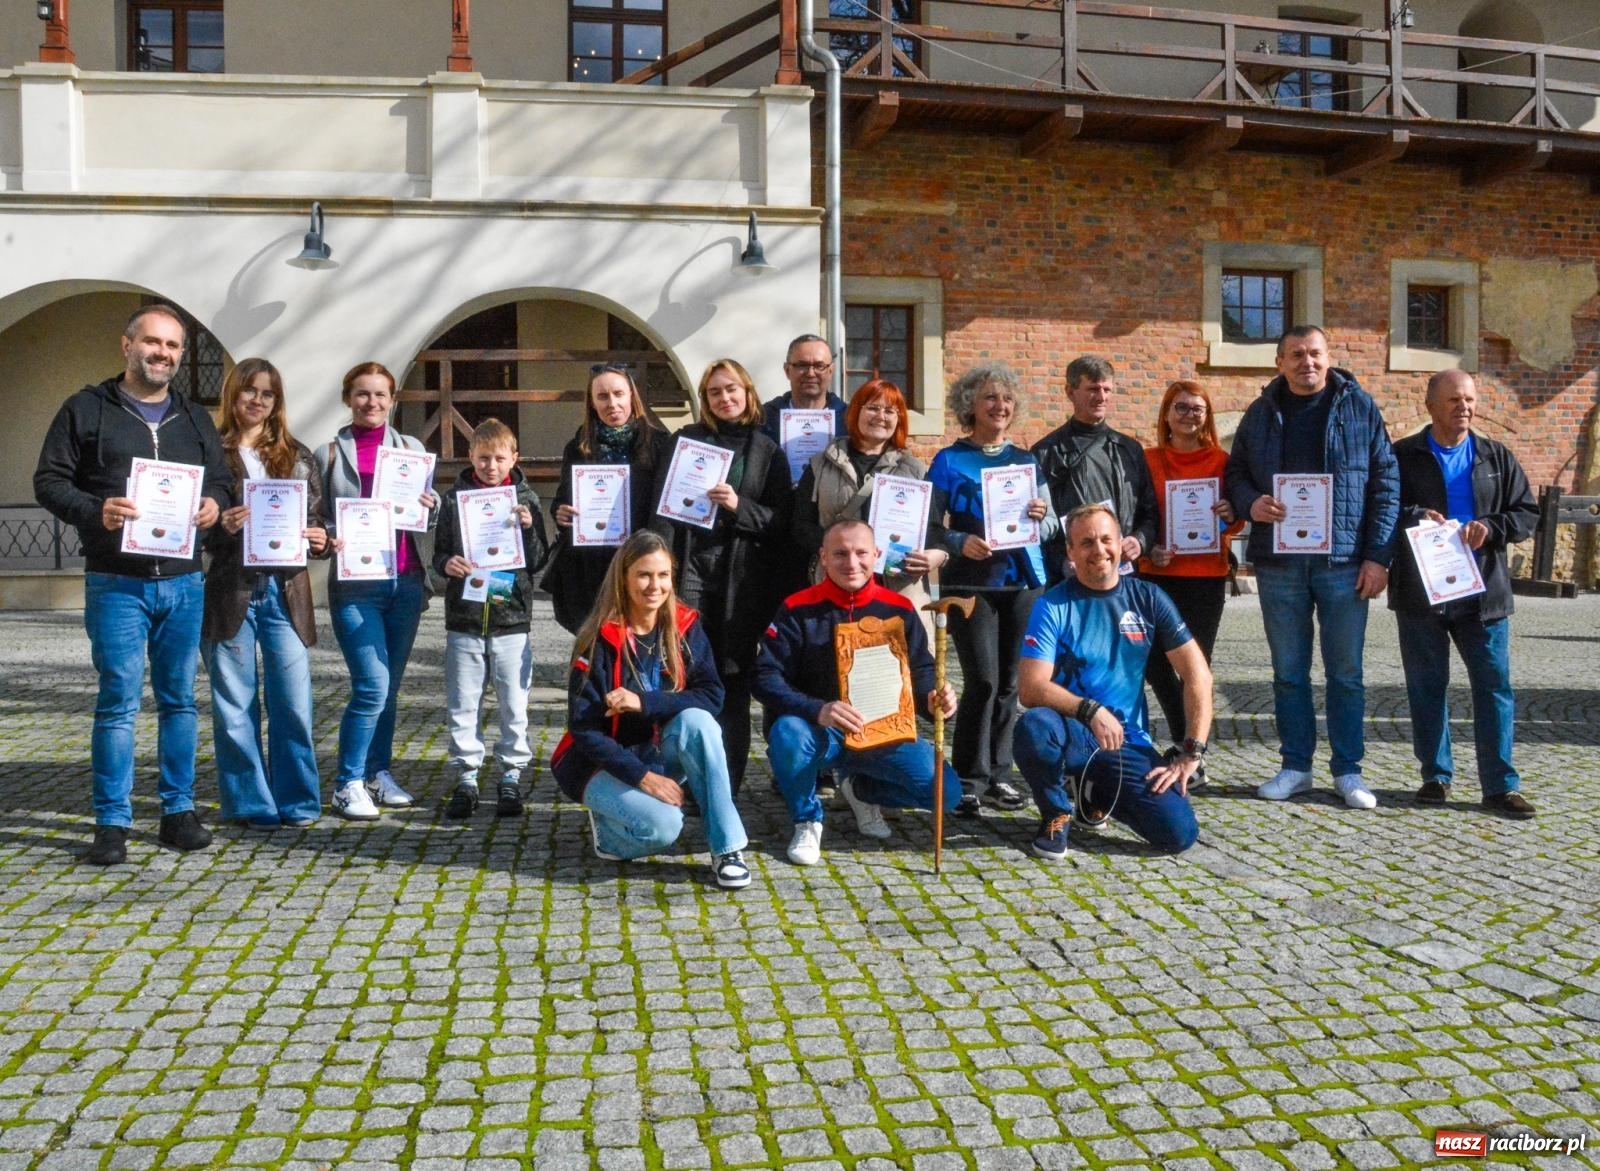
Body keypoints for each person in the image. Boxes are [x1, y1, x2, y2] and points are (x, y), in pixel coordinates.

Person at [33, 303, 230, 865]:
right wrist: (97, 511)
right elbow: (49, 480)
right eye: (153, 342)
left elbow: (219, 479)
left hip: (184, 581)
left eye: (172, 347)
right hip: (116, 582)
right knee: (118, 702)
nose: (162, 353)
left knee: (179, 702)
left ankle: (177, 813)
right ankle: (112, 823)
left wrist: (215, 504)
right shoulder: (85, 409)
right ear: (127, 346)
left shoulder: (194, 418)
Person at [1224, 325, 1399, 810]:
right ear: (1279, 362)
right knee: (1288, 673)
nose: (1307, 362)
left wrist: (1377, 557)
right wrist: (1250, 502)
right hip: (1280, 564)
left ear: (1329, 357)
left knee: (1346, 673)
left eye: (1315, 353)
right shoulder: (1261, 413)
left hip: (1343, 563)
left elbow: (1385, 483)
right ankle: (1296, 767)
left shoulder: (1359, 407)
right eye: (1296, 354)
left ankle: (1348, 771)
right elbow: (1235, 472)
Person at [550, 531, 752, 888]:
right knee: (663, 827)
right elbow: (584, 730)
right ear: (624, 578)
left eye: (662, 575)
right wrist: (644, 779)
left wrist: (643, 702)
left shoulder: (685, 627)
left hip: (656, 750)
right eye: (643, 575)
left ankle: (727, 848)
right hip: (596, 762)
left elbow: (711, 695)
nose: (654, 586)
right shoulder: (598, 639)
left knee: (700, 722)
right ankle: (610, 835)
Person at [752, 519, 960, 866]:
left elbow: (921, 669)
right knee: (787, 733)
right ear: (823, 557)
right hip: (820, 730)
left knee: (947, 795)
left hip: (883, 730)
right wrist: (816, 708)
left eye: (861, 553)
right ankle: (807, 819)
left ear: (877, 555)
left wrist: (933, 699)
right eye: (840, 554)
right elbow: (764, 676)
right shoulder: (796, 608)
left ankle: (861, 790)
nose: (852, 563)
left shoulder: (900, 608)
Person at [1014, 505, 1209, 860]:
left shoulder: (1148, 598)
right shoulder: (1052, 605)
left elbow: (1198, 674)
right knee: (1034, 727)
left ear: (1121, 543)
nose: (1099, 550)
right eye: (1086, 542)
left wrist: (1191, 753)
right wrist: (1089, 710)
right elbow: (1030, 688)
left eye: (1106, 539)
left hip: (1126, 740)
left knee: (1178, 835)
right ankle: (1056, 812)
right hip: (1071, 730)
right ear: (1070, 552)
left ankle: (1094, 791)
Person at [1389, 369, 1539, 818]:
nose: (1464, 408)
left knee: (1493, 688)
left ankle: (1500, 785)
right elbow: (1380, 509)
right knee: (1426, 687)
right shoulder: (1402, 456)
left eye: (1470, 400)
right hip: (1422, 592)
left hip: (1484, 594)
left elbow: (1527, 513)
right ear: (1430, 404)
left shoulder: (1496, 456)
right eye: (1454, 400)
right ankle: (1435, 775)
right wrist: (1416, 515)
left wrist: (1491, 527)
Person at [650, 359, 793, 795]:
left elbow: (781, 522)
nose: (725, 398)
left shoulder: (767, 450)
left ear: (748, 394)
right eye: (715, 392)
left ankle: (724, 786)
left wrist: (737, 506)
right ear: (705, 400)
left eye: (732, 390)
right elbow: (661, 512)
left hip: (741, 584)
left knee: (732, 685)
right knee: (686, 676)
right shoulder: (686, 442)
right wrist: (660, 575)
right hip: (691, 572)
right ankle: (686, 778)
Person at [925, 362, 1057, 815]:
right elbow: (928, 525)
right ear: (970, 405)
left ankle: (999, 775)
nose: (999, 406)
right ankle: (967, 777)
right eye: (989, 398)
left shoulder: (1027, 461)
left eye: (1006, 399)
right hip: (970, 582)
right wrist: (960, 541)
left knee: (1009, 683)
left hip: (1022, 581)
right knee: (981, 680)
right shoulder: (948, 460)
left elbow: (1053, 526)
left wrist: (1043, 515)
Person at [202, 358, 329, 831]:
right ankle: (250, 803)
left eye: (267, 394)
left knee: (293, 702)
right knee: (234, 705)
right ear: (233, 395)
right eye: (249, 391)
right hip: (230, 588)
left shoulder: (296, 456)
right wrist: (220, 525)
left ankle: (297, 800)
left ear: (277, 402)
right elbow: (191, 529)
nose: (257, 401)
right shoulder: (210, 452)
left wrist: (319, 537)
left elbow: (316, 522)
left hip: (284, 591)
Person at [316, 361, 438, 821]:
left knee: (390, 687)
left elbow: (429, 514)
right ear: (348, 398)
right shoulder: (328, 453)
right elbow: (315, 516)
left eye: (381, 395)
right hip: (355, 587)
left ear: (393, 400)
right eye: (362, 394)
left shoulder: (410, 449)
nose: (372, 402)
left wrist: (433, 503)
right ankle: (347, 782)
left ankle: (376, 774)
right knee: (372, 684)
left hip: (404, 582)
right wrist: (330, 532)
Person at [433, 419, 550, 820]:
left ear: (514, 458)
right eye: (483, 458)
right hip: (464, 620)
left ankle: (511, 775)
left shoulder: (526, 499)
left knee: (513, 704)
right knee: (463, 703)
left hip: (511, 618)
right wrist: (447, 563)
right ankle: (466, 776)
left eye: (500, 458)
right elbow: (440, 554)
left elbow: (538, 560)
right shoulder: (454, 501)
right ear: (471, 457)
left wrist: (530, 528)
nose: (491, 466)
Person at [792, 377, 944, 634]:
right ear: (856, 411)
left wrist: (937, 555)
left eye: (890, 411)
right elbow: (800, 525)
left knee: (897, 666)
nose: (881, 416)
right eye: (873, 407)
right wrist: (840, 551)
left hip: (897, 586)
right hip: (838, 582)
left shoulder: (915, 471)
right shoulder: (820, 465)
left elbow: (934, 530)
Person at [1139, 380, 1244, 745]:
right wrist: (1148, 548)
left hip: (1205, 576)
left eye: (1197, 409)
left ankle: (1191, 749)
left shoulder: (1221, 460)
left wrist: (1230, 514)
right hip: (1157, 574)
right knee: (1152, 661)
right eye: (1180, 407)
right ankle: (1187, 733)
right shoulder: (1147, 460)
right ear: (1166, 414)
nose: (1189, 415)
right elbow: (1137, 515)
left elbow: (1238, 516)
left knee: (1196, 666)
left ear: (1207, 416)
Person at [544, 364, 673, 634]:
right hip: (592, 569)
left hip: (641, 564)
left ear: (632, 397)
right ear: (592, 402)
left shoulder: (660, 444)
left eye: (618, 394)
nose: (612, 403)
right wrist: (561, 512)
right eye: (602, 396)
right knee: (595, 649)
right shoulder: (578, 446)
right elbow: (562, 499)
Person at [1032, 356, 1159, 583]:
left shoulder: (1129, 449)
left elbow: (1149, 512)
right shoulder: (1045, 452)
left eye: (1106, 389)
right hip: (1069, 577)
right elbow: (1038, 523)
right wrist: (1060, 559)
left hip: (1123, 574)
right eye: (1092, 389)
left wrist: (1139, 541)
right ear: (1070, 392)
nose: (1101, 397)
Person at [759, 333, 848, 449]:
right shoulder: (763, 419)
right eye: (802, 365)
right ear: (787, 370)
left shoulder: (850, 420)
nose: (811, 373)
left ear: (830, 371)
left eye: (819, 366)